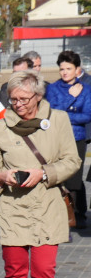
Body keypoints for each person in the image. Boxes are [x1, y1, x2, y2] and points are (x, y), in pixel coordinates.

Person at [0, 70, 79, 278]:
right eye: (13, 99)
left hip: (47, 207)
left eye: (23, 99)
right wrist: (2, 177)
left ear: (38, 96)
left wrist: (43, 173)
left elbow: (72, 160)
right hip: (12, 209)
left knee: (44, 273)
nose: (18, 105)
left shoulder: (58, 120)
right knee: (15, 272)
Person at [45, 50, 91, 227]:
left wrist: (63, 116)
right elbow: (50, 113)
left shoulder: (86, 89)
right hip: (56, 139)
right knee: (58, 177)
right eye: (62, 68)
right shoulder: (52, 88)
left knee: (74, 179)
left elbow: (87, 115)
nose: (65, 72)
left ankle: (75, 215)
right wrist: (70, 99)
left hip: (76, 138)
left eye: (69, 68)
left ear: (77, 69)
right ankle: (59, 217)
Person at [0, 57, 33, 127]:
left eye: (21, 73)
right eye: (15, 73)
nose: (17, 76)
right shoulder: (5, 90)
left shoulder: (38, 90)